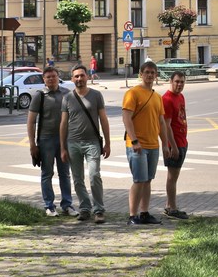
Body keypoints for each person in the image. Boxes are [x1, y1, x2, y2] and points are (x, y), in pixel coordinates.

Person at [122, 61, 174, 226]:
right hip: (137, 145)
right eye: (147, 72)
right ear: (141, 74)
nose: (150, 75)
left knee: (148, 180)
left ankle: (144, 213)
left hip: (153, 145)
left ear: (156, 75)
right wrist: (134, 140)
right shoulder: (133, 93)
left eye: (153, 73)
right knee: (139, 180)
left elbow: (161, 122)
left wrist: (165, 144)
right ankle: (132, 215)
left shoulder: (157, 97)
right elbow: (126, 118)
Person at [60, 65, 111, 224]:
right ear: (72, 79)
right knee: (77, 179)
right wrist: (62, 147)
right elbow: (63, 123)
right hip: (73, 143)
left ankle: (99, 210)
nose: (79, 79)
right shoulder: (67, 98)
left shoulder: (96, 95)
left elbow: (103, 119)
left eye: (82, 75)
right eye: (76, 76)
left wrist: (107, 143)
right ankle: (84, 208)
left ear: (87, 77)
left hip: (92, 143)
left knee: (94, 175)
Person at [27, 67, 78, 218]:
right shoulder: (40, 96)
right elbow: (31, 122)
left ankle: (67, 204)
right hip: (46, 140)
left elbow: (74, 117)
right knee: (47, 173)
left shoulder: (67, 94)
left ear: (58, 77)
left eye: (53, 76)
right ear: (44, 79)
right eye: (48, 77)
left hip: (64, 140)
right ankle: (49, 206)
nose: (51, 79)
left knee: (65, 173)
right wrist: (32, 145)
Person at [162, 71, 190, 220]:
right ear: (171, 81)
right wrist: (173, 146)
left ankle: (168, 205)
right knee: (172, 177)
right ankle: (172, 208)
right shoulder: (167, 99)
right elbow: (166, 126)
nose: (179, 84)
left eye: (182, 82)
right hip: (175, 144)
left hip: (182, 141)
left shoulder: (181, 97)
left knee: (174, 176)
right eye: (177, 81)